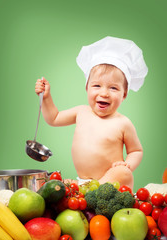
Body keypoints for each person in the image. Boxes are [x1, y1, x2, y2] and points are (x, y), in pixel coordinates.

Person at [35, 36, 148, 190]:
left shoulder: (123, 123)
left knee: (124, 173)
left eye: (113, 88)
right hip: (83, 181)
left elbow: (136, 150)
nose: (104, 93)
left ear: (124, 94)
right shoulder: (81, 112)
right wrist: (46, 97)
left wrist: (127, 164)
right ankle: (84, 190)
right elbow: (54, 118)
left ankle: (89, 192)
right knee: (55, 184)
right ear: (87, 87)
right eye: (97, 85)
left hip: (110, 184)